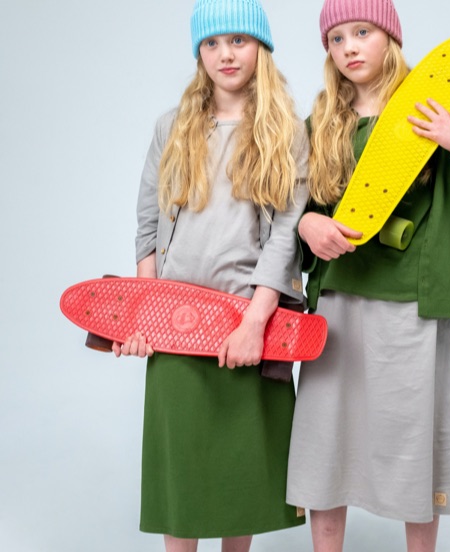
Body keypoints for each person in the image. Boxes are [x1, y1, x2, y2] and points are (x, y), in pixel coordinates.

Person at [286, 0, 450, 551]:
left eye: (362, 31)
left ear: (391, 38)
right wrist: (309, 223)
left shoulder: (431, 107)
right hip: (337, 299)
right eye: (336, 39)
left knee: (412, 439)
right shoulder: (320, 124)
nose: (350, 47)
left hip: (411, 301)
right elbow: (290, 210)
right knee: (326, 442)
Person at [112, 0, 309, 550]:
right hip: (174, 322)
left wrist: (254, 323)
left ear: (261, 48)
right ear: (199, 53)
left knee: (238, 475)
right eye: (212, 43)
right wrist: (145, 313)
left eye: (239, 40)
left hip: (245, 320)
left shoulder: (287, 132)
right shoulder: (171, 127)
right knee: (182, 475)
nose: (226, 54)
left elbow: (286, 236)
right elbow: (147, 222)